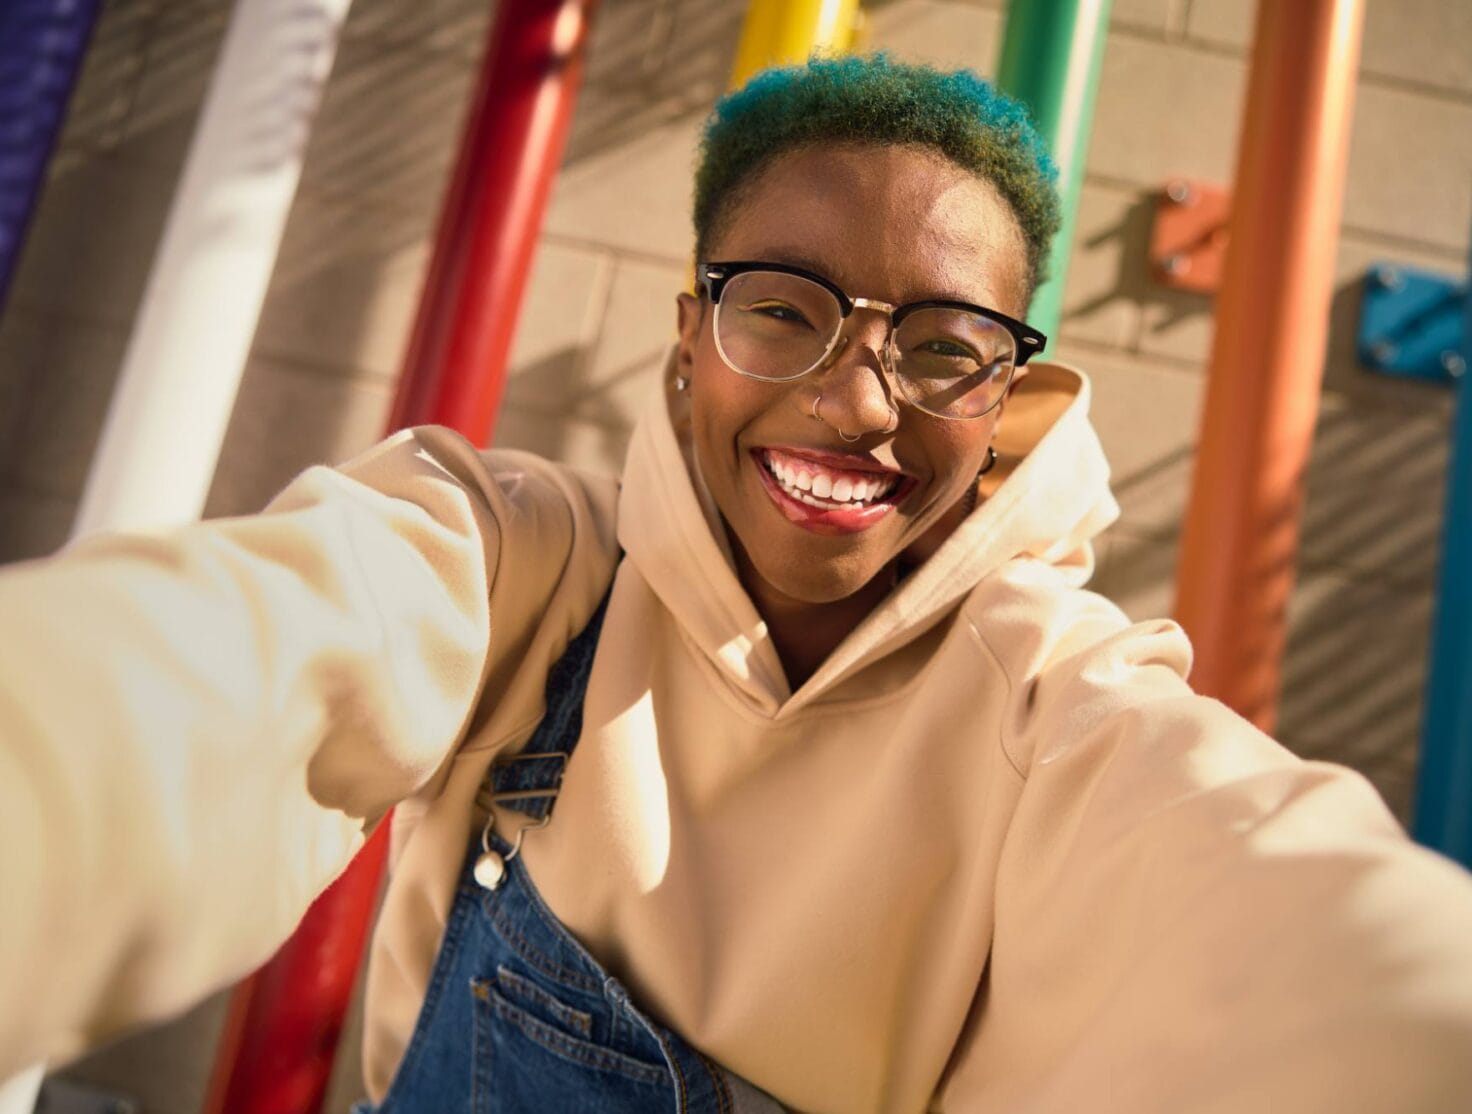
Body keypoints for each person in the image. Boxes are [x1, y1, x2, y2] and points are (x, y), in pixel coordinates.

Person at [2, 54, 1471, 1113]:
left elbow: (1303, 936)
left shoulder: (1060, 716)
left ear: (1011, 404)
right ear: (683, 348)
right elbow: (208, 683)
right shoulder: (528, 571)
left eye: (947, 346)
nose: (860, 402)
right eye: (784, 311)